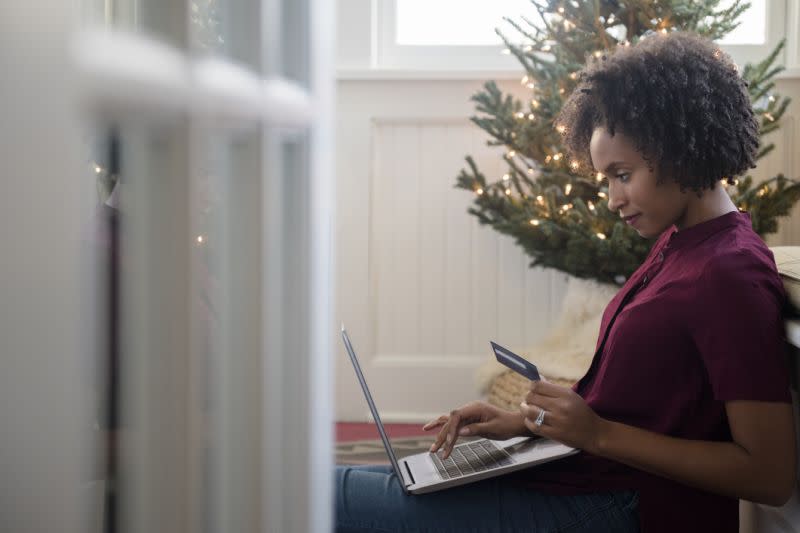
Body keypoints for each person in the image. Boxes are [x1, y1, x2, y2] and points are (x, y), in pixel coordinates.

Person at [335, 31, 797, 533]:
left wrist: (595, 434)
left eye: (622, 174)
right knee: (350, 481)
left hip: (621, 508)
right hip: (578, 478)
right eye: (606, 179)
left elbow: (768, 474)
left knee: (322, 497)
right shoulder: (681, 244)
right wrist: (524, 423)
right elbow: (642, 403)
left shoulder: (729, 273)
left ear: (678, 149)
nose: (613, 199)